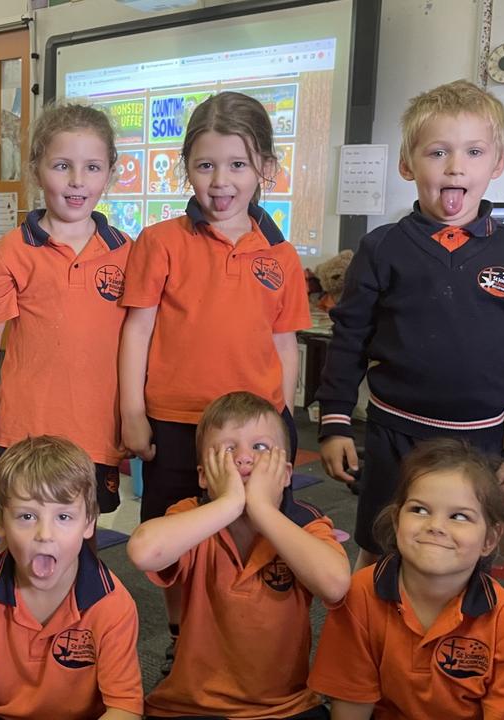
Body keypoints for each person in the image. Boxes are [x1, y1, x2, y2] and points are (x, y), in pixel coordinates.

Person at [314, 80, 504, 570]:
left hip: (479, 440)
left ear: (497, 163)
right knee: (382, 542)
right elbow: (349, 340)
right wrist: (334, 419)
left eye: (473, 151)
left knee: (464, 551)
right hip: (393, 433)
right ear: (408, 164)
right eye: (438, 152)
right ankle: (366, 639)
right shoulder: (381, 247)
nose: (456, 166)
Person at [118, 90, 311, 674]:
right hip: (177, 423)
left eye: (237, 165)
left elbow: (285, 345)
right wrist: (132, 411)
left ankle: (251, 635)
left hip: (257, 429)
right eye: (205, 165)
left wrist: (283, 421)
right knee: (178, 536)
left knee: (258, 532)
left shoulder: (281, 255)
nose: (220, 181)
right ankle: (182, 635)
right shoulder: (160, 242)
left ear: (265, 171)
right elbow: (137, 332)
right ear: (186, 169)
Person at [127, 392, 348, 719]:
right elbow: (145, 551)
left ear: (285, 473)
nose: (243, 458)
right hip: (190, 707)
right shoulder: (191, 517)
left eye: (259, 447)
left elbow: (335, 584)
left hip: (284, 708)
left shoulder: (304, 524)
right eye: (228, 449)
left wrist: (260, 508)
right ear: (204, 476)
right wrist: (230, 504)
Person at [309, 438, 504, 719]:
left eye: (459, 516)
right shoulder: (360, 594)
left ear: (489, 540)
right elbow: (351, 703)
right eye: (419, 510)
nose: (436, 527)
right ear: (396, 522)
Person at [0, 102, 131, 514]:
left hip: (96, 428)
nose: (78, 181)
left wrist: (135, 411)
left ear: (110, 173)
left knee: (85, 531)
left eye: (93, 167)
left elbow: (140, 340)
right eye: (62, 166)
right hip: (24, 427)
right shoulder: (13, 251)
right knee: (18, 531)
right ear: (36, 170)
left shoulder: (127, 251)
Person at [0, 435, 143, 720]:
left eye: (63, 517)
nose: (44, 535)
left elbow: (125, 708)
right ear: (0, 522)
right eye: (26, 517)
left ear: (89, 524)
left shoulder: (112, 603)